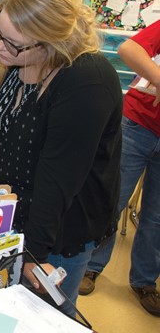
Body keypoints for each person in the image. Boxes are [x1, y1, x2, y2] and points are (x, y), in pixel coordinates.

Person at [0, 0, 123, 316]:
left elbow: (57, 180)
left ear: (49, 43)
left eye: (13, 43)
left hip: (58, 231)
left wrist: (35, 254)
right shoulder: (15, 61)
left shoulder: (86, 81)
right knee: (2, 314)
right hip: (17, 215)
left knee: (43, 317)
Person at [79, 19, 160, 317]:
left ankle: (144, 282)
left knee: (157, 216)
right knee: (112, 201)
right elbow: (129, 48)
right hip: (139, 124)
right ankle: (91, 266)